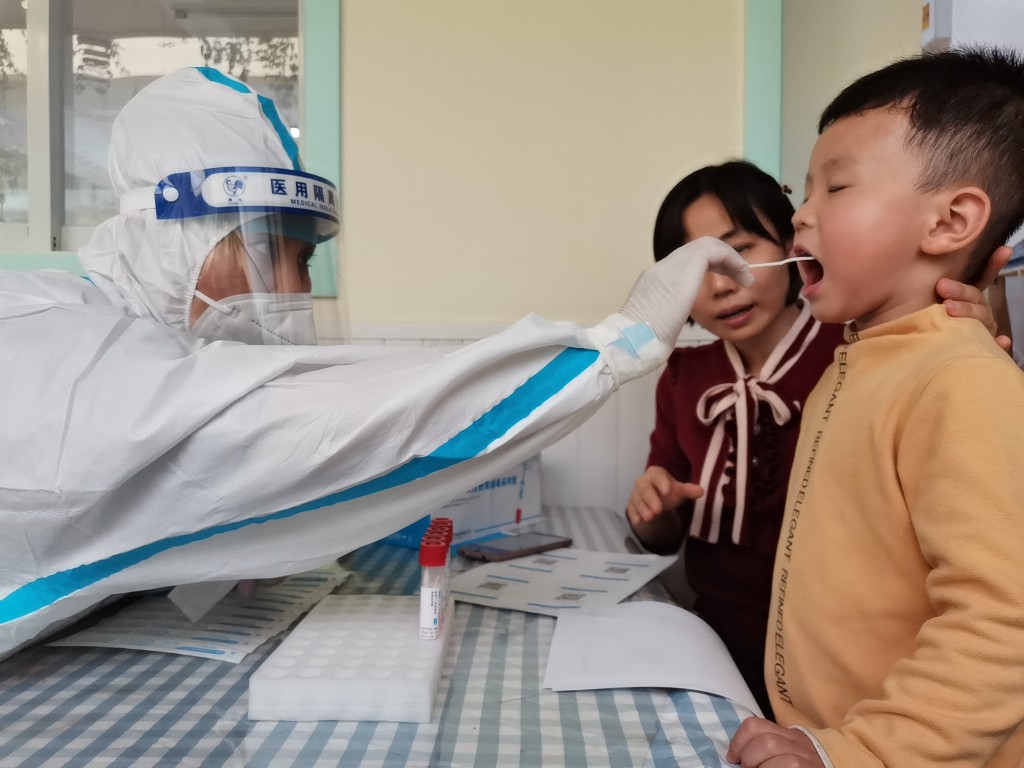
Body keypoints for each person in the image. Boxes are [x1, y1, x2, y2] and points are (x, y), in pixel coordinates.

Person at [0, 67, 756, 660]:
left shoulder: (151, 347)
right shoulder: (52, 352)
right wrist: (612, 345)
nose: (293, 289)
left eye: (305, 260)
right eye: (268, 252)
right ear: (172, 239)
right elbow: (268, 426)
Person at [727, 46, 1024, 767]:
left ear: (950, 222)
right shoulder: (853, 365)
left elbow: (1003, 621)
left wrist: (861, 752)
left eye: (836, 187)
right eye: (805, 190)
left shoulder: (962, 381)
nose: (800, 214)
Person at [625, 162, 1007, 717]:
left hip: (842, 667)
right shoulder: (684, 375)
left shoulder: (857, 350)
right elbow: (664, 535)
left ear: (793, 246)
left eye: (740, 250)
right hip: (712, 640)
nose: (721, 284)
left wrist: (974, 330)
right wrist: (653, 511)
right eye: (694, 267)